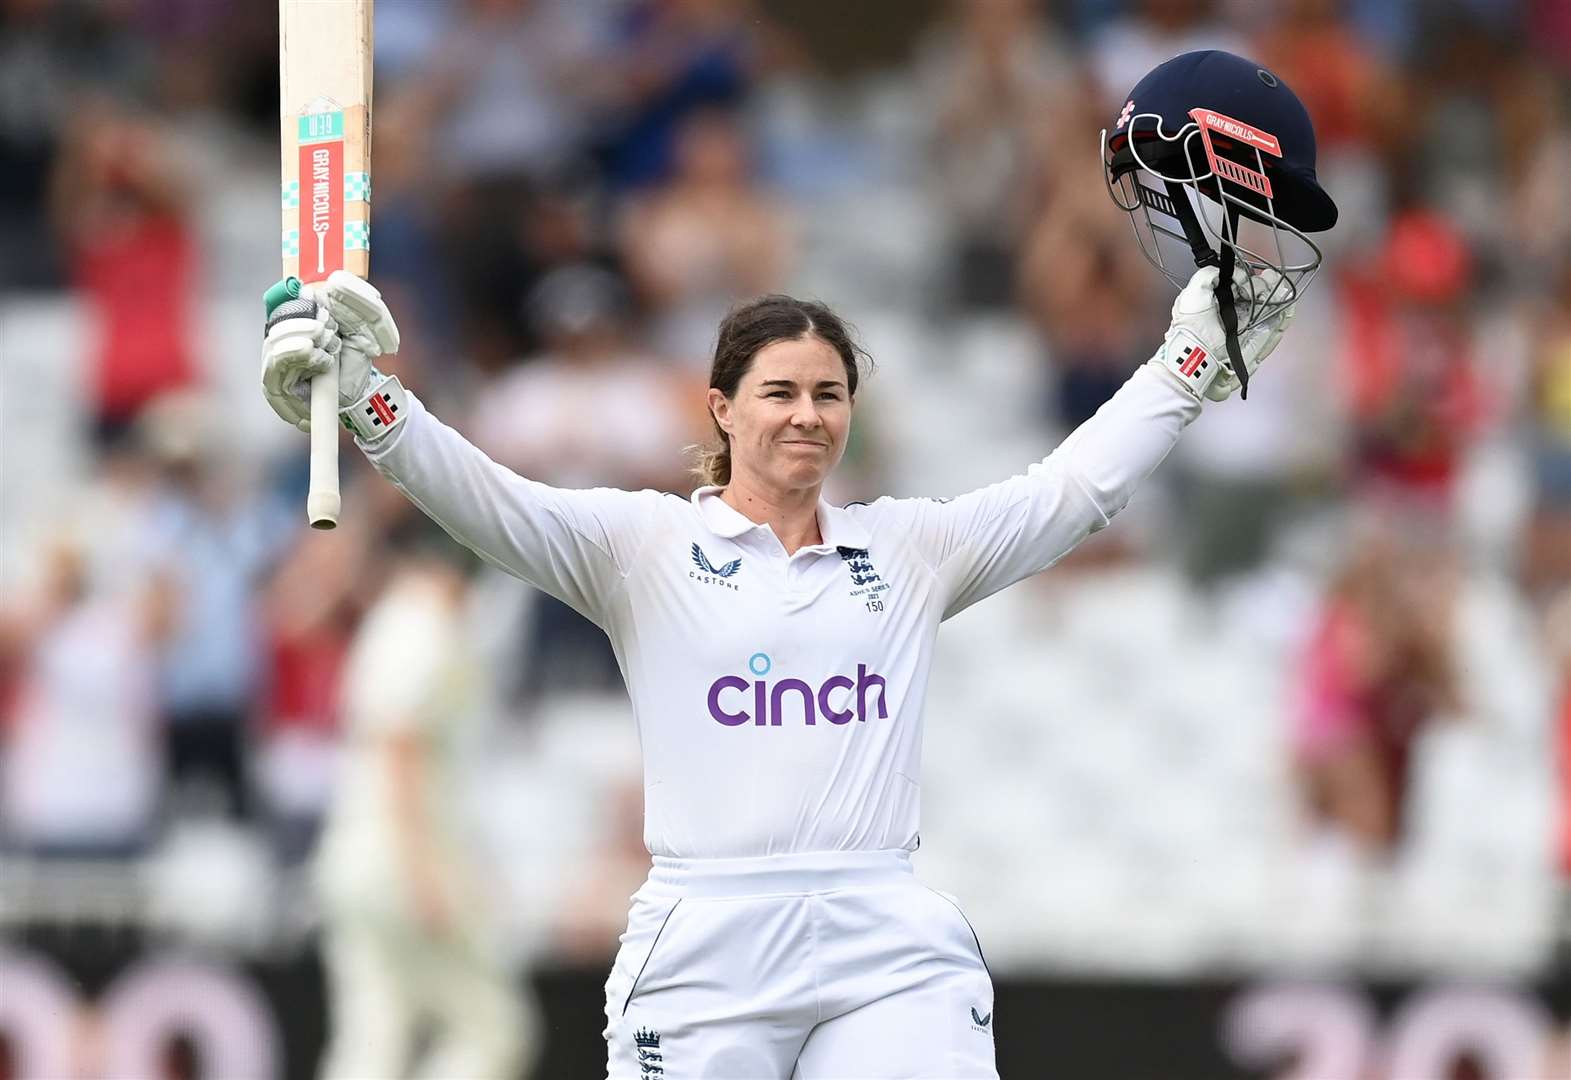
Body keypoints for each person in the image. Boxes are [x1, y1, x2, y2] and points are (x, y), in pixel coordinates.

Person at [261, 50, 1332, 1080]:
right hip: (704, 939)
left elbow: (1073, 491)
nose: (806, 416)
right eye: (778, 393)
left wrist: (1186, 366)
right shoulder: (645, 549)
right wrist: (369, 398)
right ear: (720, 410)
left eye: (827, 395)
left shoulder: (905, 550)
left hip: (882, 931)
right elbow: (489, 503)